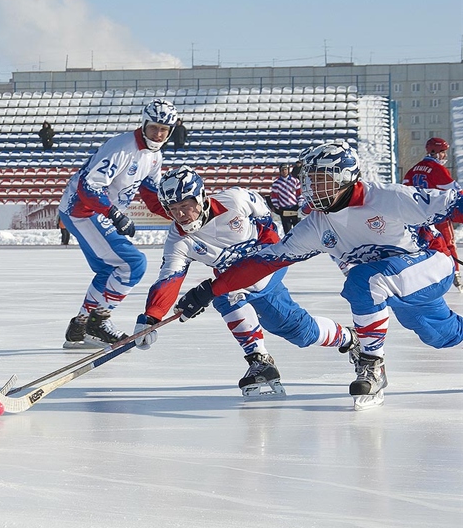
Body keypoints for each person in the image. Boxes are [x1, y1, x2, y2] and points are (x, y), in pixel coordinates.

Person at [175, 142, 463, 410]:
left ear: (344, 177)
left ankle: (372, 363)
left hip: (431, 264)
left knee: (364, 280)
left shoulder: (388, 197)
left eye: (320, 178)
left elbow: (454, 202)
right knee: (440, 335)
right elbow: (265, 262)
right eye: (309, 179)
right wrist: (212, 289)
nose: (311, 186)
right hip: (397, 283)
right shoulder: (314, 226)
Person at [133, 166, 359, 398]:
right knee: (230, 296)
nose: (180, 215)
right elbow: (170, 277)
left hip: (266, 267)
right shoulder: (178, 240)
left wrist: (268, 253)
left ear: (200, 196)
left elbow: (265, 222)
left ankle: (350, 338)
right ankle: (260, 358)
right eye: (173, 210)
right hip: (233, 279)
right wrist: (151, 317)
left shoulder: (236, 199)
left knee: (293, 328)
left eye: (184, 206)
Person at [58, 99, 179, 348]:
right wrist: (115, 215)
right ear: (144, 124)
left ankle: (80, 328)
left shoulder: (155, 157)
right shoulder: (123, 147)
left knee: (108, 270)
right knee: (133, 264)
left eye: (164, 130)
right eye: (154, 127)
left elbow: (151, 195)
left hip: (94, 212)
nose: (158, 134)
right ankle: (99, 321)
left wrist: (180, 216)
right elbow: (88, 186)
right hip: (82, 210)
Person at [402, 137, 461, 291]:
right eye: (442, 152)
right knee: (448, 243)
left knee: (421, 245)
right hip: (438, 212)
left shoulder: (414, 169)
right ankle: (455, 273)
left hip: (418, 215)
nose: (444, 156)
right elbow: (455, 191)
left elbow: (404, 189)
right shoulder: (438, 169)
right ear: (433, 151)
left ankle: (420, 275)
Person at [270, 163, 302, 233]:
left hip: (295, 208)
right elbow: (274, 197)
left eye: (285, 169)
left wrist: (300, 204)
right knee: (287, 230)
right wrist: (276, 207)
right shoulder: (276, 184)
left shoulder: (295, 181)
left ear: (288, 170)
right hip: (284, 209)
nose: (284, 171)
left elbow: (299, 194)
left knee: (298, 230)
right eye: (282, 170)